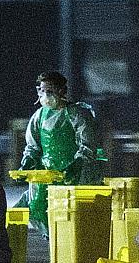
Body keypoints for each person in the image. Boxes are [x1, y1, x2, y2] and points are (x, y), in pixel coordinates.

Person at [20, 71, 102, 237]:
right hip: (48, 176)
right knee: (39, 209)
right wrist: (28, 161)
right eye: (42, 91)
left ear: (62, 91)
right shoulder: (39, 116)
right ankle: (55, 244)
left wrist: (76, 165)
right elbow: (33, 146)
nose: (45, 95)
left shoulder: (77, 114)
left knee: (72, 216)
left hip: (75, 175)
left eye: (49, 91)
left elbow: (88, 145)